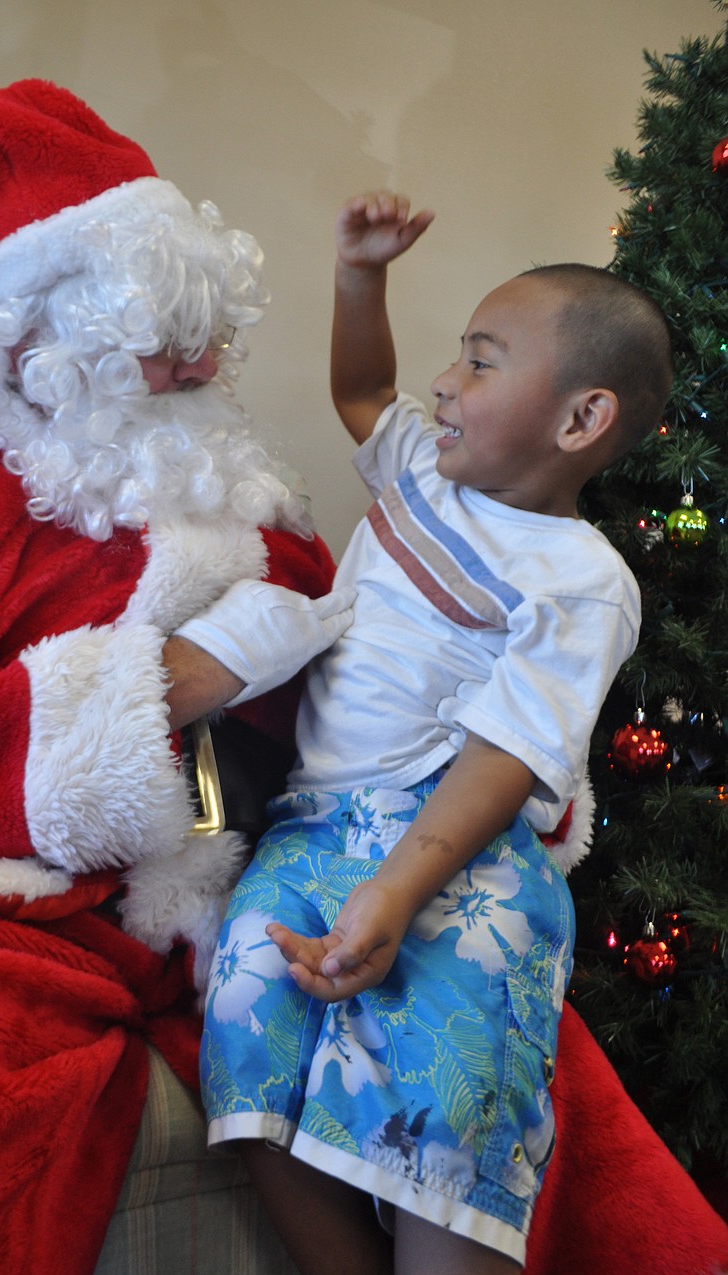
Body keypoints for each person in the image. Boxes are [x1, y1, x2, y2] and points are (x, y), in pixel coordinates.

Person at [0, 79, 354, 1275]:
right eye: (153, 335)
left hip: (248, 887)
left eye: (206, 328)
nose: (196, 363)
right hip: (0, 893)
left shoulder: (255, 503)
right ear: (34, 347)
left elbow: (367, 686)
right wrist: (168, 684)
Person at [189, 191, 675, 1274]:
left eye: (482, 361)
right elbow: (361, 387)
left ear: (579, 419)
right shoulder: (420, 470)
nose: (445, 383)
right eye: (455, 356)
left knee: (442, 1114)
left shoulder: (582, 583)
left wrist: (401, 891)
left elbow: (506, 755)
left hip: (461, 844)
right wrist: (361, 274)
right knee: (242, 1030)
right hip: (310, 832)